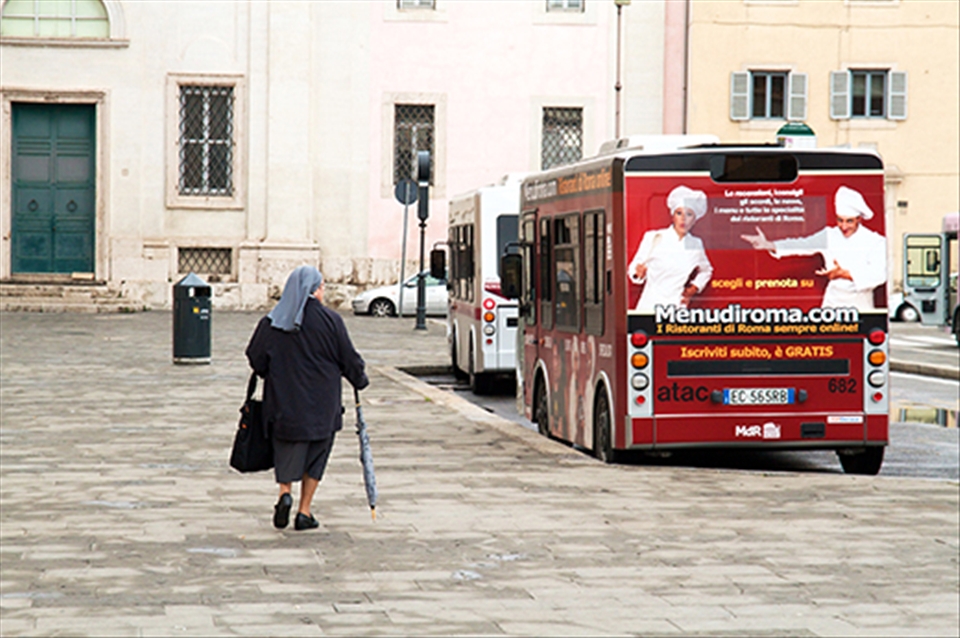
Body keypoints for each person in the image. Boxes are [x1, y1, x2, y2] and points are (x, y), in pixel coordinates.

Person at [246, 266, 368, 531]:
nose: (323, 292)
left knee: (287, 450)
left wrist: (273, 372)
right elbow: (349, 359)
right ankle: (304, 511)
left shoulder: (272, 321)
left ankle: (284, 494)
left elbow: (255, 358)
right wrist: (360, 379)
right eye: (322, 287)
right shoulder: (330, 320)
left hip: (283, 405)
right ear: (314, 289)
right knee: (316, 457)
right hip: (322, 407)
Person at [740, 185, 886, 310]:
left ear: (859, 219)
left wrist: (844, 274)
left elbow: (880, 274)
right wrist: (770, 245)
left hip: (860, 304)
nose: (843, 226)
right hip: (832, 302)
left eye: (849, 221)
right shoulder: (830, 235)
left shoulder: (875, 241)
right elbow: (801, 244)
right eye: (840, 220)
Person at [628, 185, 714, 312]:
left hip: (677, 308)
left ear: (694, 220)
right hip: (650, 306)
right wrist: (638, 273)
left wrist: (693, 288)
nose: (683, 218)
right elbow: (634, 267)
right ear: (673, 216)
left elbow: (706, 270)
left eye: (689, 214)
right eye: (679, 213)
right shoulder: (654, 237)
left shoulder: (695, 244)